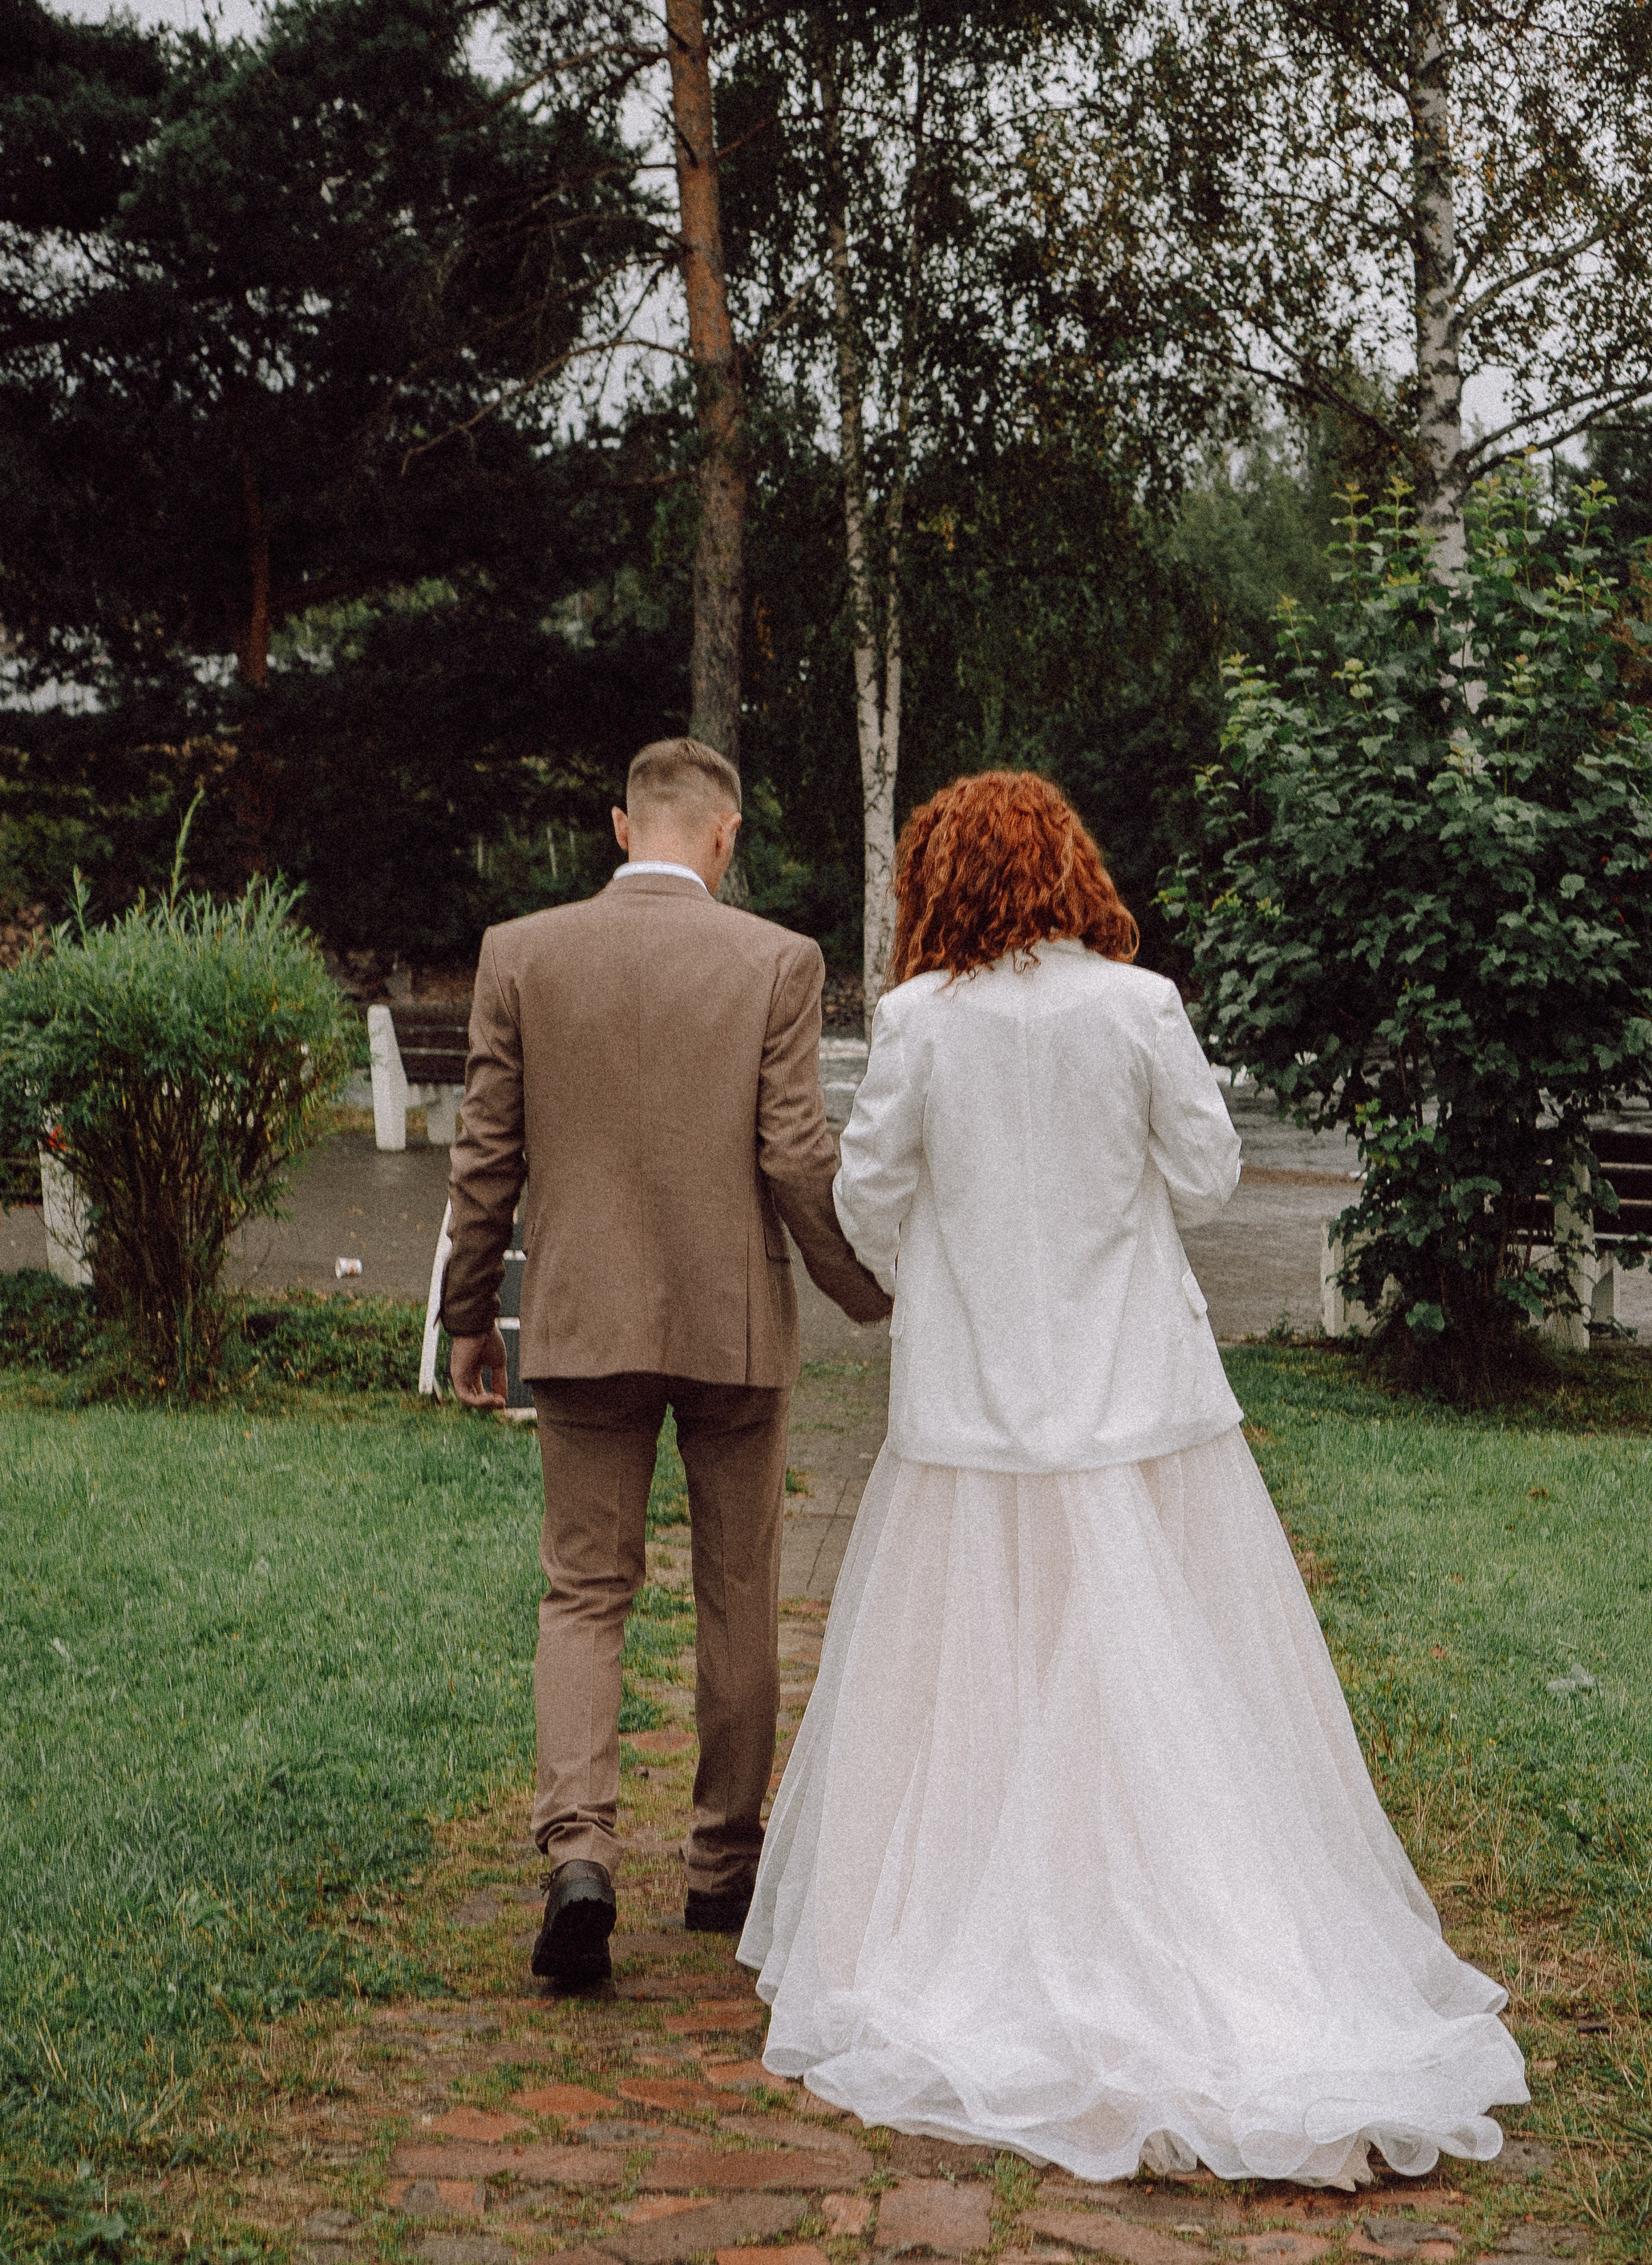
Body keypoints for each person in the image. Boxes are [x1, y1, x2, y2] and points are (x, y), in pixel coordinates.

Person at [740, 769, 1528, 2185]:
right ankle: (1170, 1913)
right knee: (1160, 1660)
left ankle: (974, 1912)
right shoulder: (1137, 1003)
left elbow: (866, 1195)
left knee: (971, 1661)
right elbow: (1210, 1173)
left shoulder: (919, 1022)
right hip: (1136, 1394)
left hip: (974, 1397)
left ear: (939, 882)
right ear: (1068, 867)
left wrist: (953, 1255)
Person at [442, 736, 890, 1991]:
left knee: (585, 1590)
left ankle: (579, 1856)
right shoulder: (777, 962)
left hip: (582, 1322)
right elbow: (800, 1157)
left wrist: (470, 1312)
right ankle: (721, 1869)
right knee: (737, 1588)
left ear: (624, 828)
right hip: (733, 1327)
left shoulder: (520, 954)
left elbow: (486, 1156)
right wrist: (868, 1293)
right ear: (725, 837)